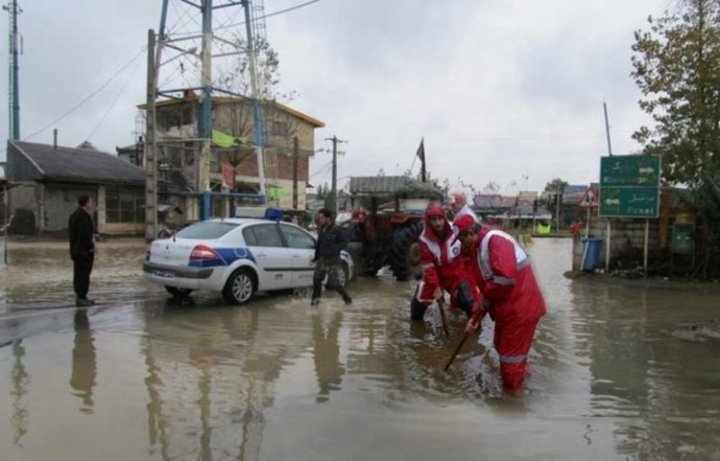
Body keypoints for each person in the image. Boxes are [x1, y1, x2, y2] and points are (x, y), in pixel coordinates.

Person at [454, 214, 546, 393]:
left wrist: (480, 308)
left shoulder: (495, 241)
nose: (461, 244)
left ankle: (512, 403)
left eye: (460, 239)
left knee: (510, 364)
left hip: (520, 309)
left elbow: (504, 279)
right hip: (509, 308)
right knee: (500, 347)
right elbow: (488, 289)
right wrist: (475, 317)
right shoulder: (480, 248)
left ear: (469, 234)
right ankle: (522, 376)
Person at [411, 202, 480, 321]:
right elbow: (428, 267)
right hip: (435, 276)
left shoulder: (456, 231)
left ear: (444, 218)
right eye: (434, 220)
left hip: (456, 274)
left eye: (440, 219)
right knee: (417, 307)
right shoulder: (424, 240)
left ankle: (474, 329)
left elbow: (469, 252)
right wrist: (436, 288)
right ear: (429, 221)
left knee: (469, 303)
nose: (438, 223)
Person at [311, 208, 352, 305]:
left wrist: (335, 249)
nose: (320, 220)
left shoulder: (336, 229)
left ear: (328, 218)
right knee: (316, 280)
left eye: (322, 218)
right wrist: (316, 257)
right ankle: (315, 302)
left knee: (334, 284)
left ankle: (347, 299)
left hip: (332, 260)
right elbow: (319, 244)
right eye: (319, 217)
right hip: (321, 259)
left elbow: (344, 242)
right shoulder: (321, 230)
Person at [69, 195, 96, 307]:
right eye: (90, 202)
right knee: (83, 275)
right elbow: (85, 235)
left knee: (78, 274)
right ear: (86, 203)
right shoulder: (83, 216)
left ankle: (80, 297)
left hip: (76, 251)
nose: (92, 204)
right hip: (83, 252)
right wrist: (90, 247)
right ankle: (82, 297)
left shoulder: (75, 215)